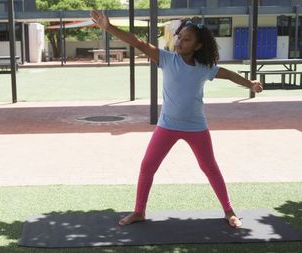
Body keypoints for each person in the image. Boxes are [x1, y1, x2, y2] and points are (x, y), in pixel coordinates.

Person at [90, 10, 263, 228]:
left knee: (210, 167)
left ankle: (229, 211)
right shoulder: (167, 59)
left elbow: (227, 73)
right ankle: (139, 211)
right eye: (180, 37)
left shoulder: (204, 68)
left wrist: (250, 84)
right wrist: (109, 27)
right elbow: (139, 43)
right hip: (167, 126)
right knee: (148, 166)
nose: (180, 41)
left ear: (198, 46)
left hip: (196, 127)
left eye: (187, 39)